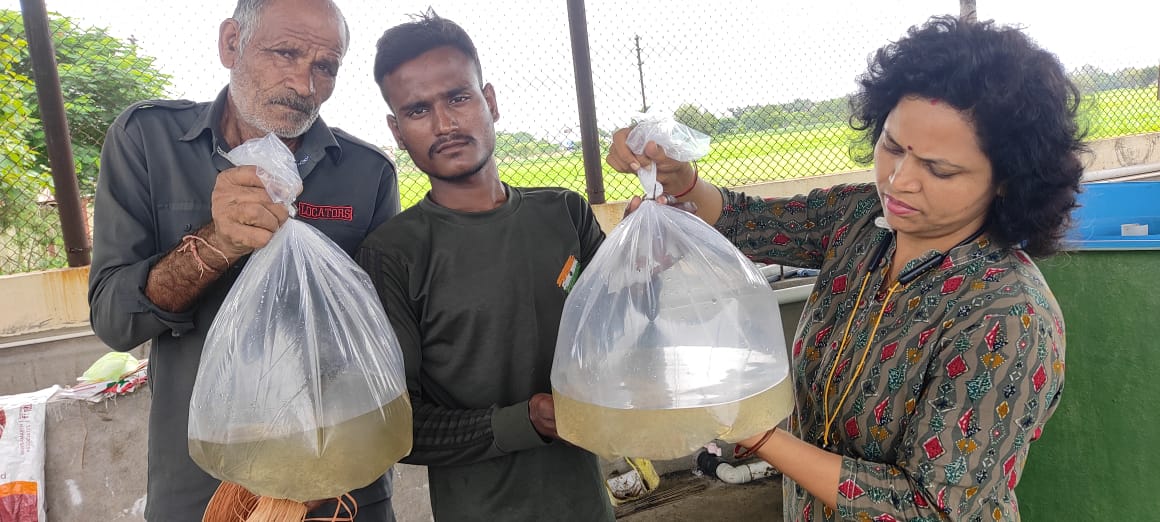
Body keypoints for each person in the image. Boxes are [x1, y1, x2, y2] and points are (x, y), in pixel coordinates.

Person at [607, 16, 1078, 521]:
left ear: (1007, 180)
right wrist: (681, 181)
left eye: (938, 169)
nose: (898, 180)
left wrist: (760, 435)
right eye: (893, 147)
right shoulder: (861, 220)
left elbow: (931, 508)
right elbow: (748, 222)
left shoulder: (1008, 317)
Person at [86, 0, 400, 520]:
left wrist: (334, 455)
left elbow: (384, 339)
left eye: (325, 66)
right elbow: (115, 321)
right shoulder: (148, 141)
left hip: (339, 482)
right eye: (286, 53)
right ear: (230, 43)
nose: (305, 84)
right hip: (203, 482)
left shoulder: (366, 174)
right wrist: (216, 244)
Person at [356, 12, 614, 522]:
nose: (444, 123)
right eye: (416, 109)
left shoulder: (565, 212)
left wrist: (652, 257)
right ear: (397, 130)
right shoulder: (393, 253)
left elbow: (625, 330)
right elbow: (397, 426)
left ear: (489, 101)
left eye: (457, 97)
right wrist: (527, 420)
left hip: (586, 503)